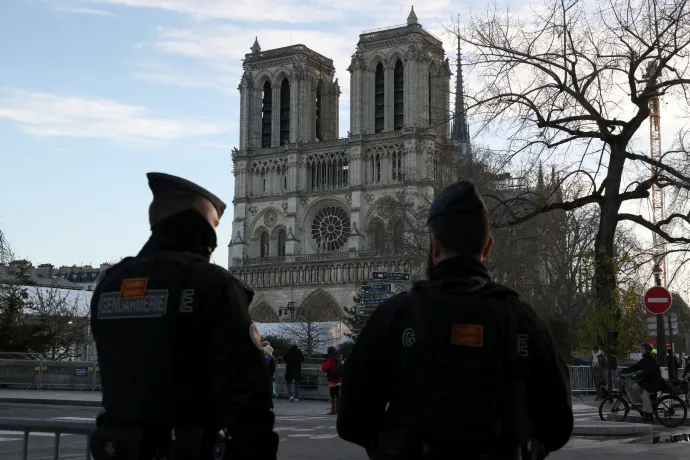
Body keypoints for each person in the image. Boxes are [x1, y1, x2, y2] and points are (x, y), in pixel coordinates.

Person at [337, 180, 573, 460]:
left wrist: (394, 445)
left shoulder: (395, 317)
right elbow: (558, 427)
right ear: (488, 246)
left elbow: (352, 420)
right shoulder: (524, 320)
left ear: (435, 246)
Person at [89, 172, 278, 460]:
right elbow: (246, 391)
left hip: (118, 447)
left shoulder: (110, 283)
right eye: (213, 225)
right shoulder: (210, 283)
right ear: (199, 226)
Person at [621, 342, 664, 422]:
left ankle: (649, 414)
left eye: (642, 349)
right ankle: (646, 404)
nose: (641, 350)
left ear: (647, 350)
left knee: (645, 396)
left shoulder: (651, 359)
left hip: (654, 382)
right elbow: (636, 366)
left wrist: (636, 376)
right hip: (648, 381)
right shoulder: (645, 359)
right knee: (635, 387)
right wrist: (624, 371)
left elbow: (647, 372)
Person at [321, 346, 343, 415]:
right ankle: (338, 410)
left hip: (332, 379)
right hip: (339, 379)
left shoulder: (330, 359)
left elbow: (324, 368)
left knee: (333, 395)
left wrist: (324, 364)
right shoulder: (340, 358)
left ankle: (333, 410)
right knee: (338, 395)